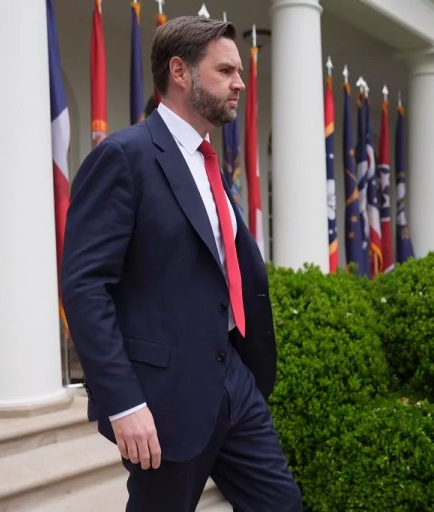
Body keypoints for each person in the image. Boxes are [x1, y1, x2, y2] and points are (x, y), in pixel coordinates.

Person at [60, 15, 302, 512]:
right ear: (180, 71)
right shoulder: (124, 158)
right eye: (226, 70)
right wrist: (123, 401)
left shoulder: (209, 161)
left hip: (233, 380)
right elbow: (85, 287)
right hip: (162, 396)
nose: (240, 82)